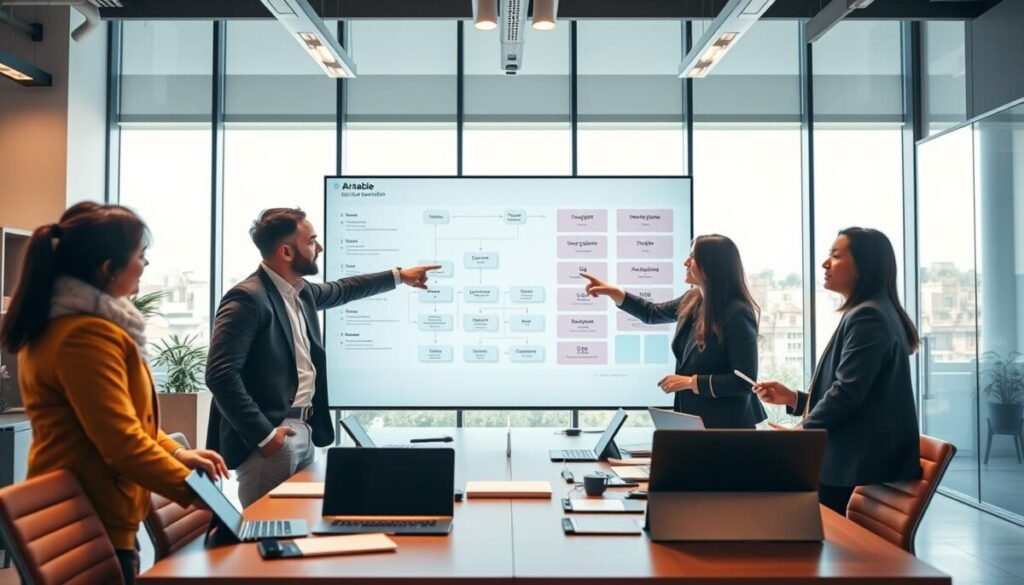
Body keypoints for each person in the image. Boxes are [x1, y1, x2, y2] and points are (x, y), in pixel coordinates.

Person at [0, 205, 228, 584]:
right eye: (140, 256)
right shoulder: (84, 336)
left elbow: (124, 422)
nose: (145, 264)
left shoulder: (81, 326)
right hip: (88, 518)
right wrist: (193, 490)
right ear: (109, 268)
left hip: (92, 510)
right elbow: (121, 441)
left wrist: (177, 453)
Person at [206, 207, 440, 506]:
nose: (320, 248)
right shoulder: (248, 299)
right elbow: (220, 375)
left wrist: (399, 276)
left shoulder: (299, 292)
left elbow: (343, 290)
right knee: (265, 534)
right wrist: (266, 437)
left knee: (298, 524)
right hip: (271, 439)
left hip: (303, 429)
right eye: (312, 241)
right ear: (287, 251)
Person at [753, 228, 921, 515]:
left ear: (863, 266)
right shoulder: (875, 311)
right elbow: (860, 396)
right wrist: (794, 398)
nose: (825, 264)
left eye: (835, 255)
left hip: (853, 470)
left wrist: (800, 432)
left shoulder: (867, 316)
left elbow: (847, 394)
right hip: (856, 466)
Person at [581, 234, 766, 428]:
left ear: (712, 266)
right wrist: (613, 292)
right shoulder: (693, 298)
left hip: (729, 429)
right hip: (696, 423)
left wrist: (691, 382)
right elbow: (651, 313)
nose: (686, 262)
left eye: (693, 257)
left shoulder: (737, 313)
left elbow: (744, 381)